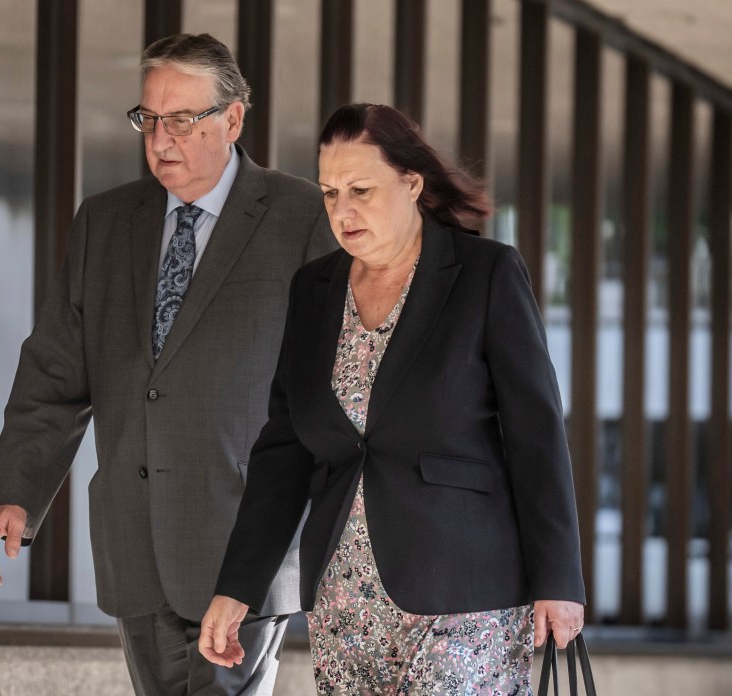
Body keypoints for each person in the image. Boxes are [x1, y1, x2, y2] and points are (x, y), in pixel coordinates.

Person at [0, 33, 336, 695]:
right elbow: (56, 372)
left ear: (232, 118)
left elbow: (335, 381)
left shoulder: (303, 217)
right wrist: (17, 494)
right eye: (149, 119)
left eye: (182, 120)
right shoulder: (106, 223)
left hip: (249, 537)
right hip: (136, 539)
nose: (161, 139)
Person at [200, 103, 587, 693]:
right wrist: (237, 588)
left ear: (411, 183)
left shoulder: (486, 273)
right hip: (344, 598)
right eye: (330, 193)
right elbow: (284, 451)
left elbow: (537, 436)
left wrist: (559, 579)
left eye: (360, 189)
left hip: (466, 594)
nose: (342, 210)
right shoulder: (314, 289)